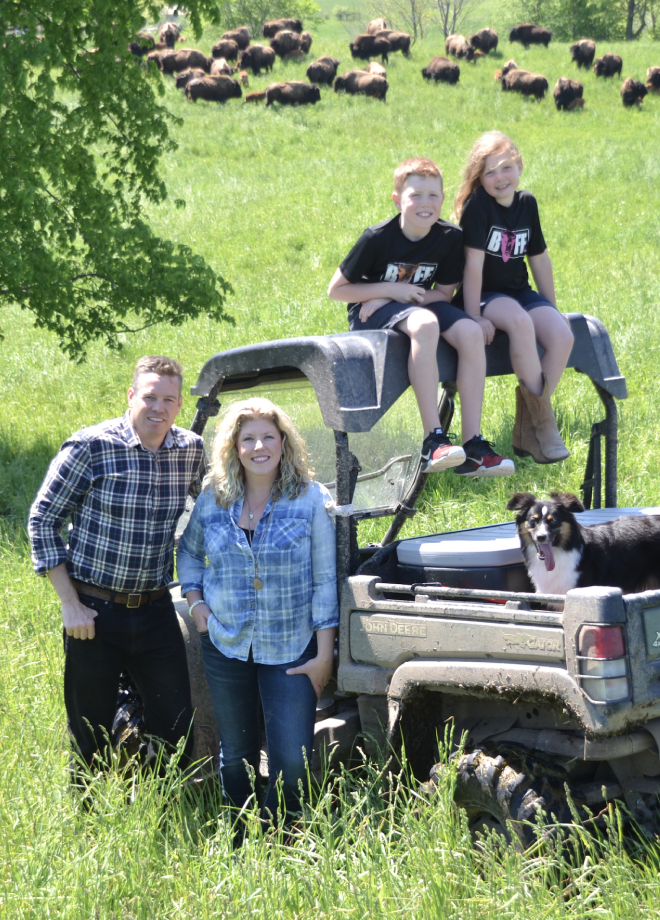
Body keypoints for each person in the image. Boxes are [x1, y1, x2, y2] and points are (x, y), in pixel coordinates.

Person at [28, 356, 206, 779]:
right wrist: (70, 605)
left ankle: (165, 817)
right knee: (90, 732)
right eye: (149, 397)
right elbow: (42, 519)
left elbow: (217, 506)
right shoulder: (91, 446)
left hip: (156, 608)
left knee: (177, 726)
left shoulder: (189, 451)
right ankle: (89, 821)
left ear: (179, 405)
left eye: (168, 399)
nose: (158, 407)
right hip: (94, 612)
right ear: (131, 396)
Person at [176, 397, 339, 823]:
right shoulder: (214, 499)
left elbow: (324, 581)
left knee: (291, 761)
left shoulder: (309, 500)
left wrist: (324, 655)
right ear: (234, 446)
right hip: (225, 643)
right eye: (248, 438)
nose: (259, 446)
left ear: (284, 443)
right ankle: (239, 835)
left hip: (292, 647)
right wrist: (196, 606)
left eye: (269, 436)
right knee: (236, 755)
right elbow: (189, 554)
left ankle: (276, 836)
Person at [327, 157, 514, 479]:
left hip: (411, 302)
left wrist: (392, 293)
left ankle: (473, 447)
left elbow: (442, 294)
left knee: (470, 332)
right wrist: (386, 291)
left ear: (443, 198)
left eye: (433, 195)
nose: (425, 204)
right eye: (416, 195)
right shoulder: (377, 238)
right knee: (425, 324)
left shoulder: (449, 237)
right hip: (369, 312)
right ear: (398, 200)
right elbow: (337, 291)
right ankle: (434, 441)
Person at [451, 131, 575, 464]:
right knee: (520, 322)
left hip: (519, 290)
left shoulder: (527, 203)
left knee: (562, 335)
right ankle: (544, 426)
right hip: (485, 295)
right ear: (480, 179)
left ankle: (527, 427)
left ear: (519, 166)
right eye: (489, 172)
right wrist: (474, 314)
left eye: (506, 168)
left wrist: (551, 306)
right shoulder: (479, 206)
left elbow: (539, 259)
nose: (499, 178)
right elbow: (473, 265)